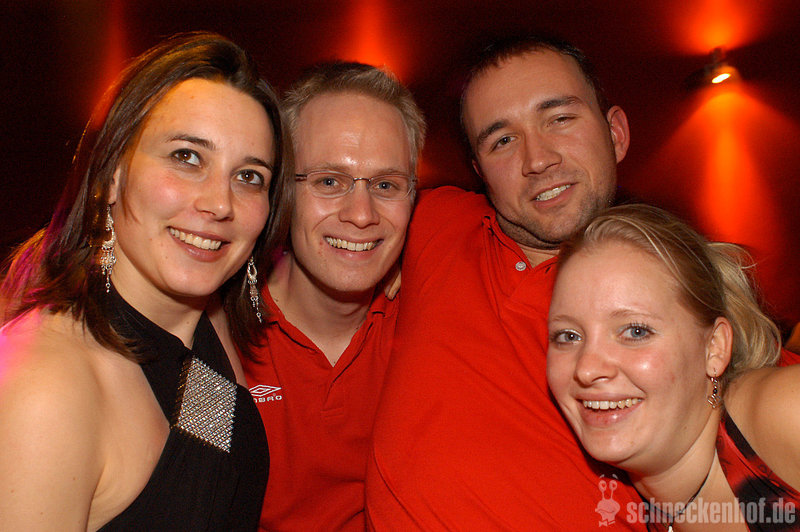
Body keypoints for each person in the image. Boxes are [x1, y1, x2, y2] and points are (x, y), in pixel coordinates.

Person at [0, 32, 291, 530]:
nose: (220, 203)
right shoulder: (46, 387)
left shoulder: (203, 327)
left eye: (249, 176)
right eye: (187, 157)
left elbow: (205, 488)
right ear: (111, 175)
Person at [366, 35, 644, 529]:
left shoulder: (674, 287)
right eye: (502, 141)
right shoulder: (434, 223)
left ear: (616, 133)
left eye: (559, 118)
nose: (537, 159)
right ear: (480, 172)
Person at [236, 62, 425, 531]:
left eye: (386, 185)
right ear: (283, 190)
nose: (361, 214)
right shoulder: (219, 332)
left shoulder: (430, 321)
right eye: (328, 181)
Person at [546, 204, 800, 531]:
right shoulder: (634, 513)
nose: (587, 369)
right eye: (568, 336)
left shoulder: (783, 411)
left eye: (636, 331)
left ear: (714, 347)